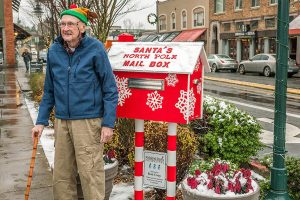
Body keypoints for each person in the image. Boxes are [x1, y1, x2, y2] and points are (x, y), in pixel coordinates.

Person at [31, 5, 118, 200]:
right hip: (62, 122)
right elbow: (49, 91)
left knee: (90, 174)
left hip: (88, 122)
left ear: (82, 27)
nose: (65, 28)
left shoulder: (95, 49)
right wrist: (40, 121)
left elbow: (110, 89)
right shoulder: (54, 51)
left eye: (71, 24)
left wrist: (108, 124)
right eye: (63, 24)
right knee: (61, 175)